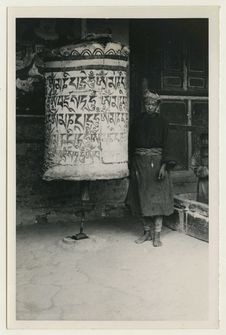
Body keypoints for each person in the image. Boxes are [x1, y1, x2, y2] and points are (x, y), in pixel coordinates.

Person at [126, 88, 176, 247]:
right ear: (144, 105)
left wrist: (164, 166)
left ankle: (157, 235)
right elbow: (130, 144)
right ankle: (146, 232)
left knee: (158, 200)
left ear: (157, 106)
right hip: (139, 164)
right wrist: (131, 164)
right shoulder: (137, 121)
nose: (150, 106)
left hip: (157, 165)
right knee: (141, 199)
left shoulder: (163, 122)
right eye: (147, 104)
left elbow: (168, 145)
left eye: (153, 104)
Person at [191, 133, 208, 204]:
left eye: (207, 139)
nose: (205, 141)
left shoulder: (217, 151)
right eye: (203, 139)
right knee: (203, 202)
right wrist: (204, 170)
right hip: (203, 182)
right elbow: (194, 166)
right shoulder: (197, 153)